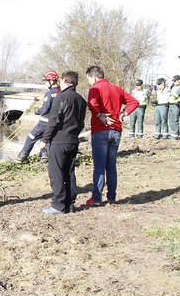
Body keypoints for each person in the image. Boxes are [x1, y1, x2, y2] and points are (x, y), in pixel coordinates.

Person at [85, 66, 139, 207]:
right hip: (116, 130)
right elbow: (134, 102)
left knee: (99, 166)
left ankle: (96, 198)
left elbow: (92, 104)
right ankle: (112, 197)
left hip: (100, 130)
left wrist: (99, 115)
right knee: (111, 165)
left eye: (89, 79)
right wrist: (124, 113)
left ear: (94, 77)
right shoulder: (116, 88)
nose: (89, 82)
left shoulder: (95, 88)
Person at [41, 71, 87, 214]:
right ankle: (70, 203)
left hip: (59, 141)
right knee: (69, 172)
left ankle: (58, 205)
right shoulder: (81, 100)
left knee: (56, 173)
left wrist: (45, 139)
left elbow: (53, 121)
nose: (59, 83)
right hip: (73, 140)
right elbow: (81, 123)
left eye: (60, 80)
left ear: (65, 80)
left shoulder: (60, 97)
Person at [14, 70, 61, 163]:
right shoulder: (61, 92)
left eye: (46, 81)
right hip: (56, 122)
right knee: (44, 138)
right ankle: (45, 156)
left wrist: (36, 111)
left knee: (31, 137)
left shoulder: (50, 93)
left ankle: (22, 157)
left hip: (45, 122)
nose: (45, 84)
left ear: (52, 81)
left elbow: (45, 108)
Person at [167, 75, 180, 139]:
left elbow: (175, 95)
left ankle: (175, 135)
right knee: (171, 119)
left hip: (176, 104)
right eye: (173, 81)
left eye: (175, 81)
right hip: (171, 104)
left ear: (179, 80)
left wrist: (170, 92)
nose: (174, 82)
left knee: (175, 120)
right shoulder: (173, 87)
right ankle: (172, 134)